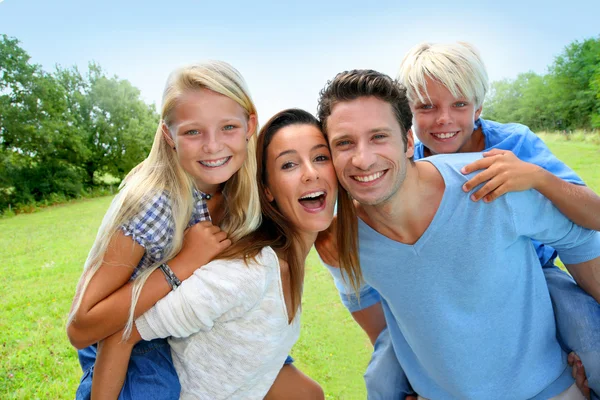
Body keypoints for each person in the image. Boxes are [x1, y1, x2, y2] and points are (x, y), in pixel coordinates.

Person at [318, 42, 600, 400]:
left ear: (478, 107)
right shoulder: (402, 166)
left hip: (537, 268)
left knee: (592, 345)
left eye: (459, 105)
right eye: (427, 107)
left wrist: (538, 177)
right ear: (409, 119)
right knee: (381, 381)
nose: (443, 120)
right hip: (455, 303)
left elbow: (587, 226)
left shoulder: (508, 152)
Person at [65, 62, 318, 399]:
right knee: (157, 391)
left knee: (298, 389)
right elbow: (82, 328)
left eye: (227, 126)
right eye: (193, 132)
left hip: (185, 322)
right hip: (125, 331)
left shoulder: (239, 187)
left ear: (249, 124)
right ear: (169, 135)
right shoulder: (153, 203)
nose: (213, 146)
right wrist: (181, 265)